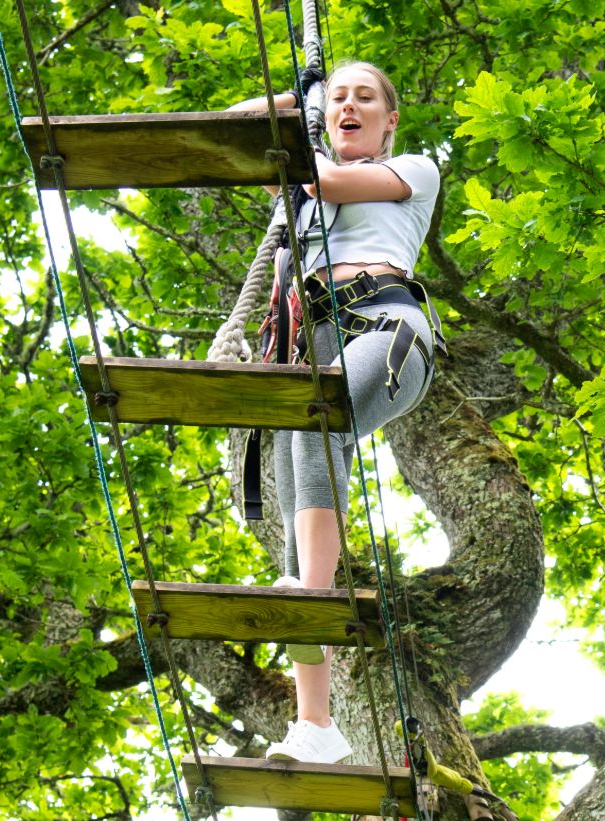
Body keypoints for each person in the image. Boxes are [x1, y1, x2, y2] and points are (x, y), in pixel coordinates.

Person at [228, 62, 442, 765]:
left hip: (383, 331)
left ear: (390, 120)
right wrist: (298, 96)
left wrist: (313, 123)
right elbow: (232, 131)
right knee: (302, 476)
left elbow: (326, 180)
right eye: (340, 99)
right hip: (309, 337)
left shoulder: (413, 169)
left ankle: (309, 594)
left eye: (366, 99)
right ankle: (316, 722)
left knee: (316, 420)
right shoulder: (301, 180)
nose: (350, 107)